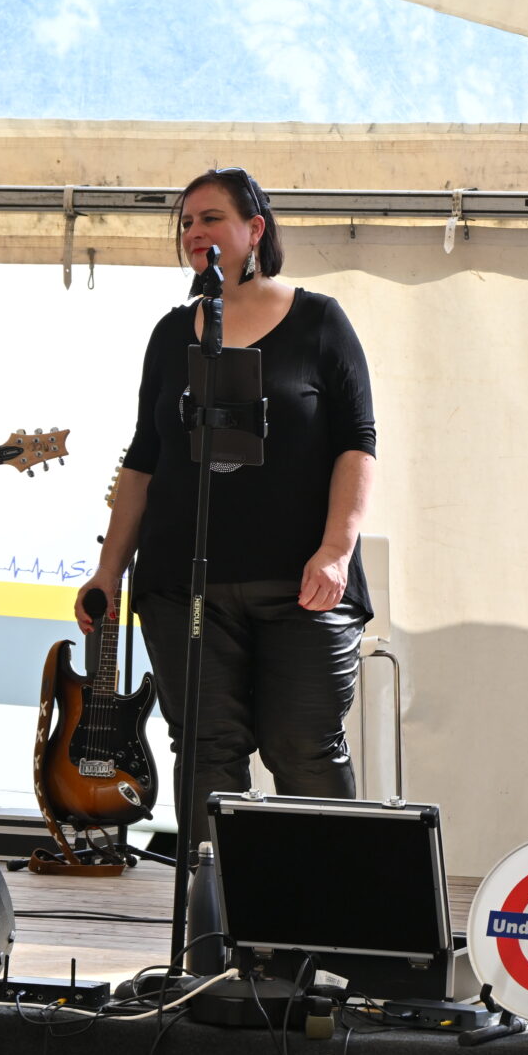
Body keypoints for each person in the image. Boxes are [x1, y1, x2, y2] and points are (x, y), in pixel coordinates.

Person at [78, 168, 375, 820]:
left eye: (210, 218)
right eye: (186, 221)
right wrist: (108, 571)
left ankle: (327, 891)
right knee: (206, 751)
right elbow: (144, 459)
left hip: (302, 584)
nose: (193, 231)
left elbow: (358, 443)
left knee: (305, 750)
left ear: (254, 229)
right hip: (183, 587)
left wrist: (335, 549)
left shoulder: (320, 321)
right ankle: (215, 890)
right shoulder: (170, 334)